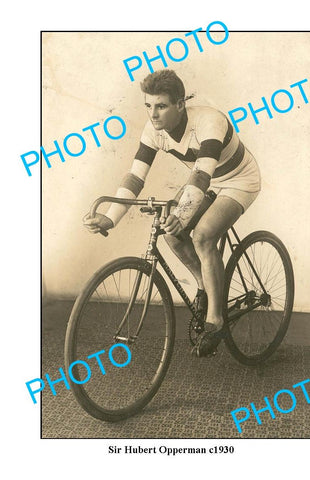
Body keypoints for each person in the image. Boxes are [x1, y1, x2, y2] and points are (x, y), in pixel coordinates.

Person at [84, 69, 261, 357]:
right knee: (171, 230)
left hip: (238, 180)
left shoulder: (209, 121)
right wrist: (111, 217)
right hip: (205, 180)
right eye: (148, 106)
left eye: (161, 106)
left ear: (180, 104)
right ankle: (206, 285)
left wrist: (185, 215)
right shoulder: (153, 130)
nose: (153, 114)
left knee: (203, 235)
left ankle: (216, 321)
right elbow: (136, 176)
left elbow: (203, 175)